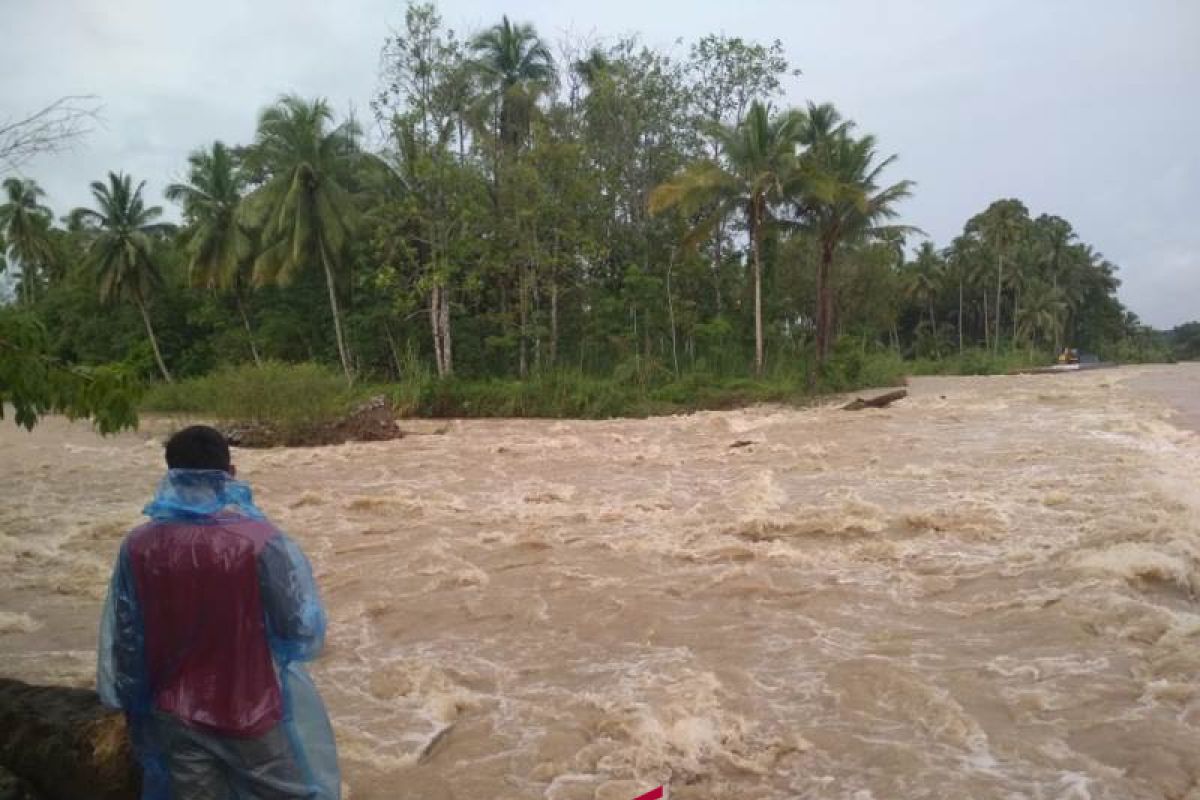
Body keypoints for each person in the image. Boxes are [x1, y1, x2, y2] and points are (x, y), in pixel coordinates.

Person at [98, 425, 340, 800]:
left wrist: (134, 707)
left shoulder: (137, 545)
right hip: (251, 709)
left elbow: (127, 639)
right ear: (230, 474)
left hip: (172, 713)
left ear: (170, 475)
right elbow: (299, 631)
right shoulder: (260, 541)